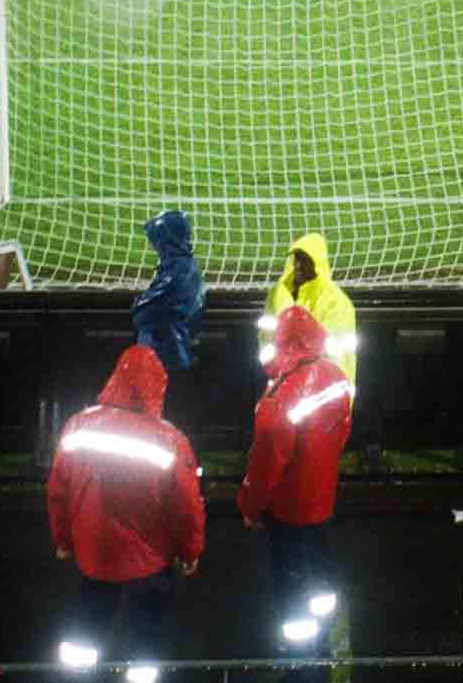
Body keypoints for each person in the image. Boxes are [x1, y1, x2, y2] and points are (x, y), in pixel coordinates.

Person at [48, 345, 204, 681]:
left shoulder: (78, 426)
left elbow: (58, 492)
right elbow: (186, 509)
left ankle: (76, 676)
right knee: (148, 636)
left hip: (93, 554)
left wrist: (64, 541)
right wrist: (189, 553)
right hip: (148, 561)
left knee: (85, 631)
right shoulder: (171, 442)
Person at [238, 305, 355, 683]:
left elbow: (266, 466)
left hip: (289, 508)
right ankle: (325, 642)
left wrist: (250, 508)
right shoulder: (337, 378)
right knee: (319, 570)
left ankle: (302, 665)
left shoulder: (281, 401)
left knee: (291, 586)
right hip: (322, 497)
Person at [261, 232, 357, 389]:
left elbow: (334, 355)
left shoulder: (336, 302)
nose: (297, 265)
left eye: (304, 260)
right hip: (281, 386)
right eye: (296, 258)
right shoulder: (279, 293)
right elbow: (265, 337)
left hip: (325, 390)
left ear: (316, 263)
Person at [131, 209, 205, 373]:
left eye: (154, 239)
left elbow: (150, 308)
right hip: (166, 347)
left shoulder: (181, 269)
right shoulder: (178, 265)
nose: (151, 244)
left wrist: (139, 304)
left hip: (166, 351)